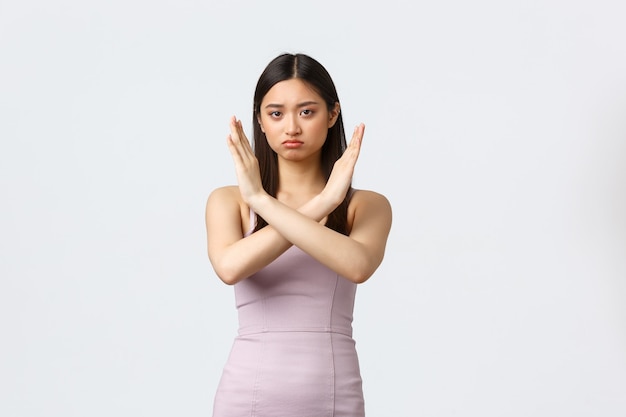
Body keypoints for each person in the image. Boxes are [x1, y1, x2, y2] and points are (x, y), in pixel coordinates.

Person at [205, 53, 392, 417]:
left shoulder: (365, 205)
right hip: (247, 394)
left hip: (333, 391)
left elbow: (358, 266)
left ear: (332, 115)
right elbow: (229, 268)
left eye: (307, 112)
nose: (291, 127)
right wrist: (316, 204)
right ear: (259, 119)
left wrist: (270, 201)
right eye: (276, 113)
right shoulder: (230, 201)